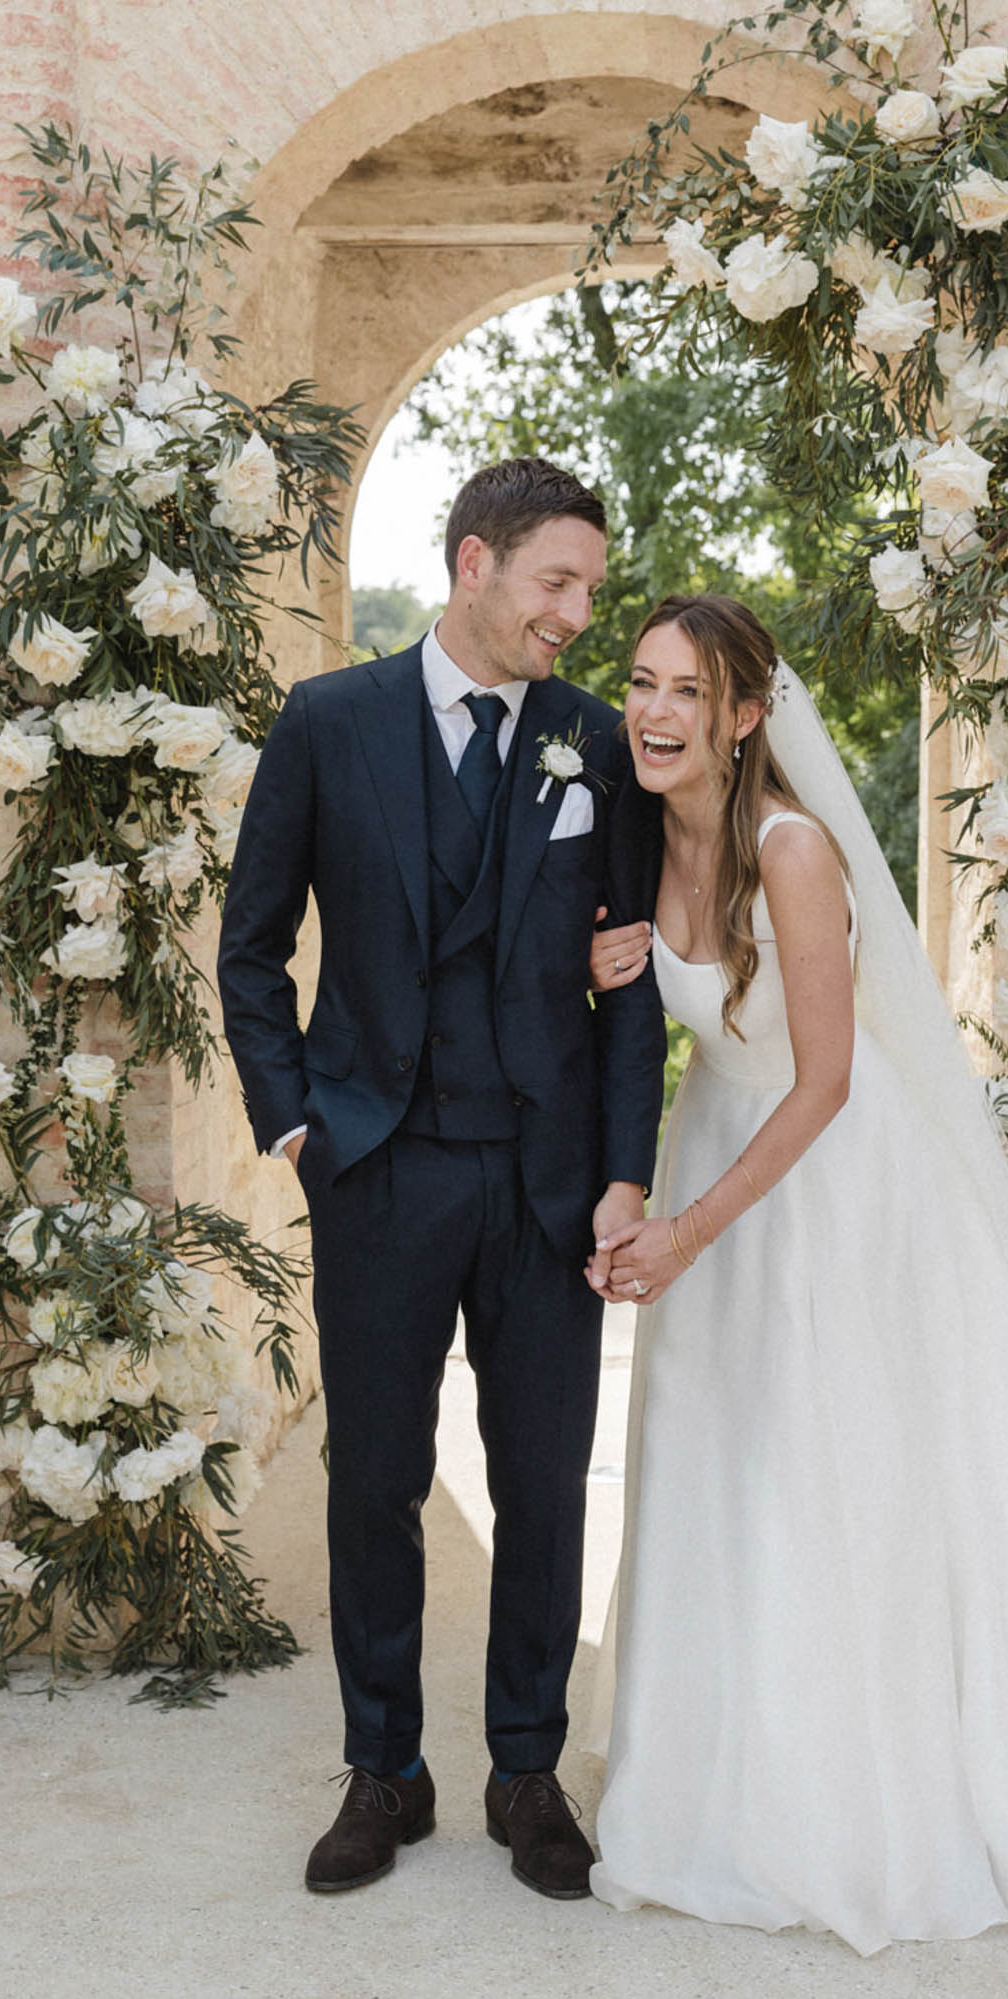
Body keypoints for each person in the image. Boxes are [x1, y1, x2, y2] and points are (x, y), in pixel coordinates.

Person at [583, 591, 1008, 1987]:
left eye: (689, 692)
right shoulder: (646, 842)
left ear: (746, 716)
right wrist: (611, 979)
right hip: (721, 1152)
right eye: (641, 682)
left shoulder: (792, 849)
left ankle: (865, 1807)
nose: (654, 712)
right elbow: (661, 1025)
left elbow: (823, 1083)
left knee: (841, 1479)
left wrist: (688, 1229)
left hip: (832, 1192)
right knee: (726, 1470)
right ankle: (717, 1788)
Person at [217, 458, 664, 1900]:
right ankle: (383, 1769)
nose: (576, 615)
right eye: (557, 583)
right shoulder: (328, 721)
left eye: (588, 589)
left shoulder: (597, 741)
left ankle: (524, 1771)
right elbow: (251, 943)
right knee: (377, 1483)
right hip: (381, 1166)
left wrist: (623, 1175)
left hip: (547, 1180)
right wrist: (293, 1120)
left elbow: (637, 977)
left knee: (541, 1485)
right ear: (475, 563)